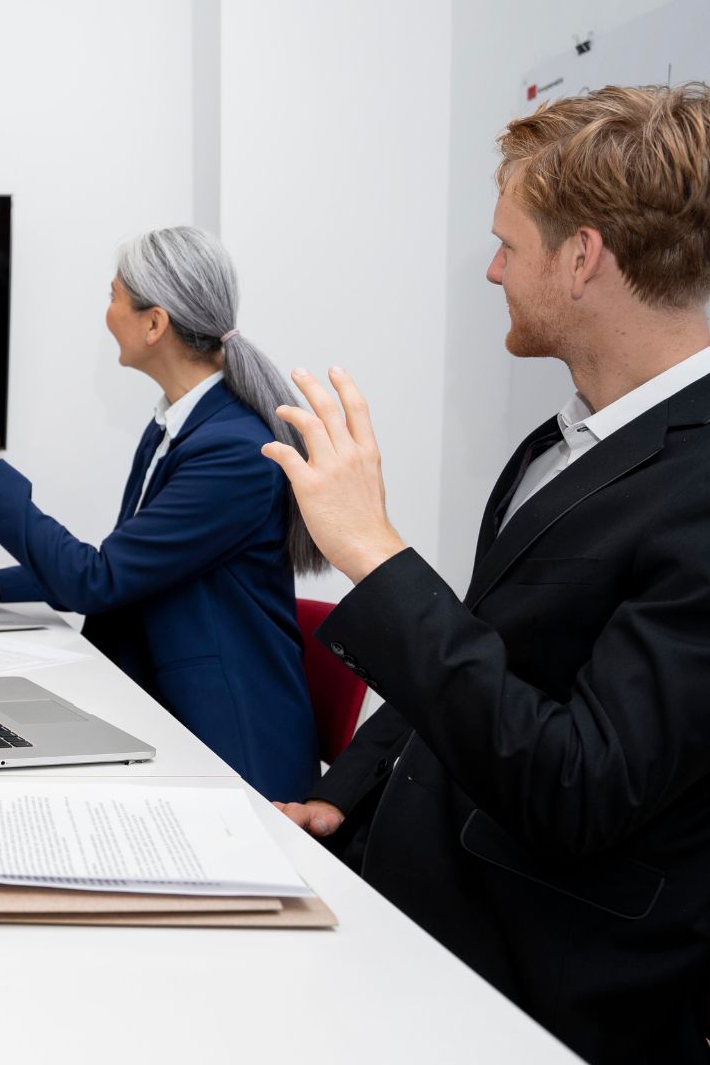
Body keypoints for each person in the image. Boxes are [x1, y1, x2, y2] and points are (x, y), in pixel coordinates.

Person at [264, 84, 710, 1065]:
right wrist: (353, 788)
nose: (493, 268)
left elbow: (580, 784)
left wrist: (373, 552)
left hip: (548, 986)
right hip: (423, 922)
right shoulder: (560, 442)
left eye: (509, 244)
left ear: (583, 256)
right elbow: (487, 646)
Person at [0, 227, 323, 803]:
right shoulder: (177, 426)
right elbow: (129, 569)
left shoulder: (233, 450)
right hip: (163, 705)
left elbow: (100, 580)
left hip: (231, 748)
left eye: (113, 296)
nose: (107, 313)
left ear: (154, 323)